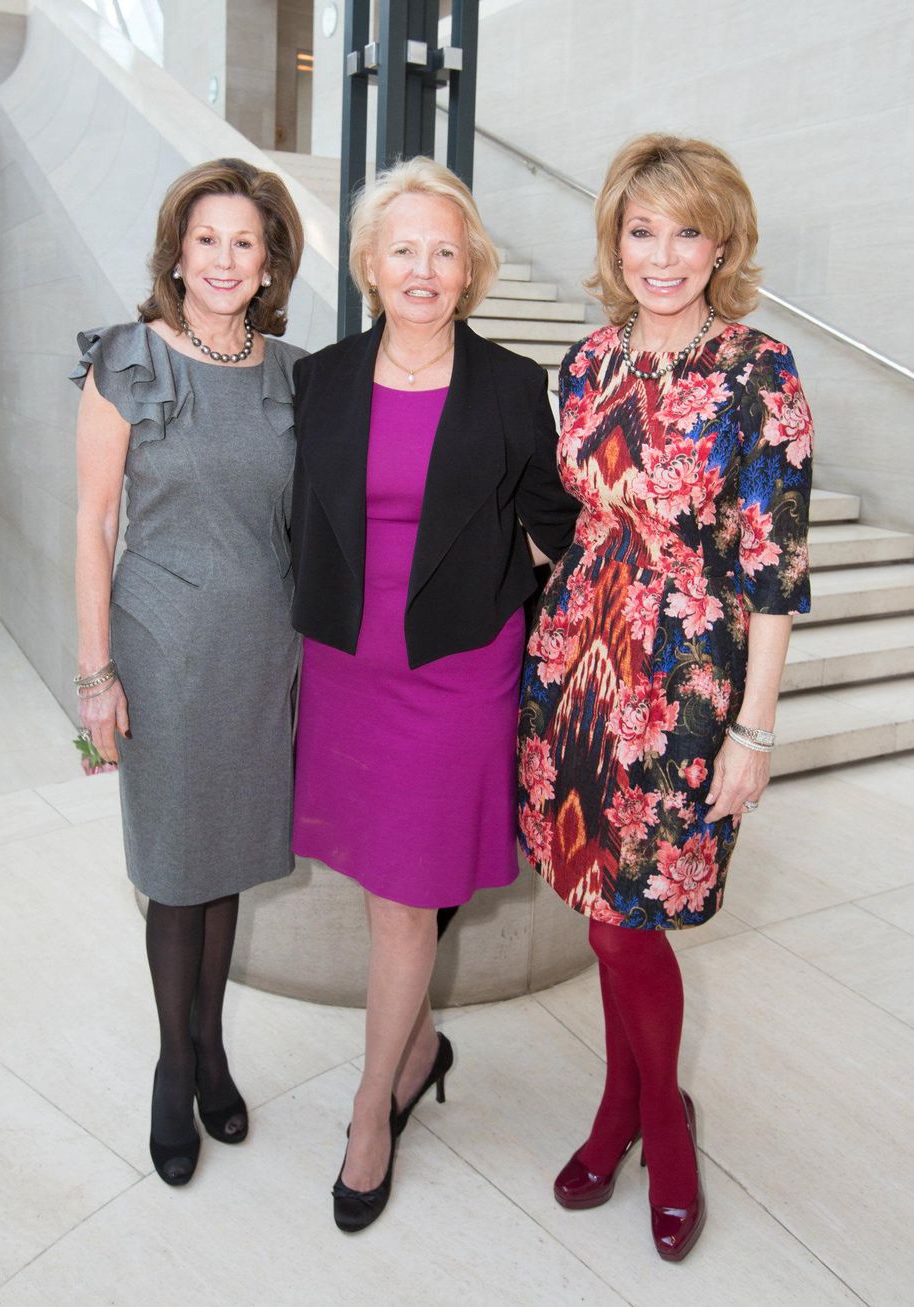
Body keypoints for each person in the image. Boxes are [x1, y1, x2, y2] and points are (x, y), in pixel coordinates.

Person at [518, 134, 813, 1261]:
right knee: (603, 916)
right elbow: (567, 526)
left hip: (683, 685)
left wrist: (753, 726)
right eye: (641, 229)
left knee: (631, 923)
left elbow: (772, 565)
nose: (661, 253)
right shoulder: (582, 365)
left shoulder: (758, 370)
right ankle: (630, 1106)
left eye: (685, 229)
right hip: (571, 672)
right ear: (613, 238)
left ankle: (655, 1127)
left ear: (722, 241)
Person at [290, 156, 579, 1232]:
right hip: (345, 668)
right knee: (383, 888)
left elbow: (556, 514)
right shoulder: (318, 379)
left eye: (442, 250)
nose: (422, 267)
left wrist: (523, 597)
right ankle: (415, 1045)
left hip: (458, 667)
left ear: (469, 270)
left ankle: (374, 1106)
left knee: (408, 890)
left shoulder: (509, 385)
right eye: (402, 247)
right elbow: (289, 519)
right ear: (369, 263)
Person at [71, 158, 305, 1186]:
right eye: (205, 239)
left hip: (262, 651)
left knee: (225, 861)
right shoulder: (129, 360)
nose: (222, 258)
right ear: (176, 251)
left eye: (243, 242)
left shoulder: (292, 373)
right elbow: (91, 521)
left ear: (267, 263)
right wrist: (95, 675)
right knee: (175, 868)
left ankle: (211, 1045)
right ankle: (177, 1063)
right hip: (162, 649)